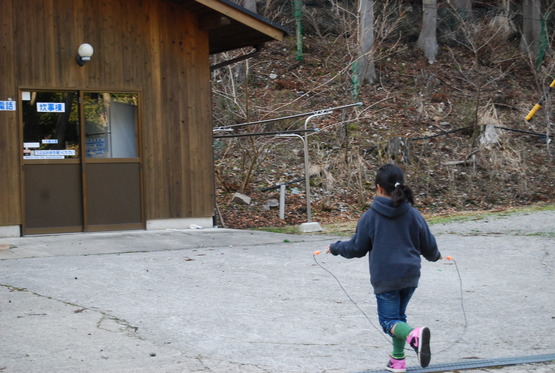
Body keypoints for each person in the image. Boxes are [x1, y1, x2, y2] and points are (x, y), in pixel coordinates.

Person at [325, 163, 441, 373]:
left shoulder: (370, 216)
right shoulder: (413, 214)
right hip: (410, 276)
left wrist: (335, 248)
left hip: (386, 277)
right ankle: (397, 362)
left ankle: (413, 335)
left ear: (378, 188)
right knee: (398, 317)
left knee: (388, 321)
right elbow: (429, 245)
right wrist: (436, 256)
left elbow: (357, 248)